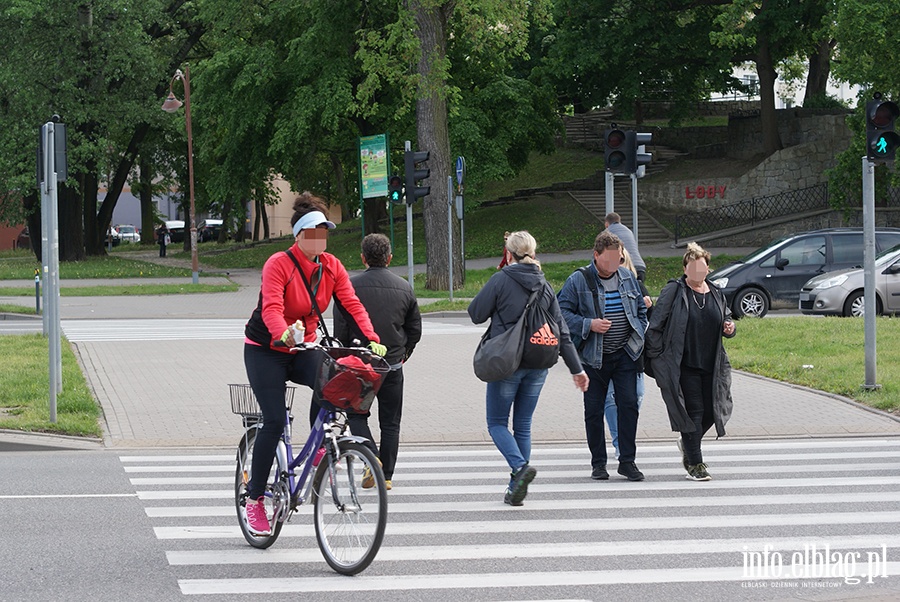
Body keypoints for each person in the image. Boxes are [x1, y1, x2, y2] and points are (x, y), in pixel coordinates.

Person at [242, 192, 385, 536]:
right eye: (314, 232)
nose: (321, 238)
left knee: (335, 379)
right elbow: (272, 308)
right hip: (266, 348)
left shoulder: (331, 266)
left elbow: (352, 303)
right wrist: (282, 335)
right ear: (300, 236)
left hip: (302, 345)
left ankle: (319, 446)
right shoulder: (278, 263)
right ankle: (255, 499)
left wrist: (372, 338)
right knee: (274, 421)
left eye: (325, 231)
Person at [468, 231, 589, 506]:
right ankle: (515, 490)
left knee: (497, 423)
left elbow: (475, 313)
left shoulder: (501, 279)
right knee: (522, 425)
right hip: (539, 364)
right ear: (533, 254)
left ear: (508, 254)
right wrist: (577, 369)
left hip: (507, 363)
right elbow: (563, 331)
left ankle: (519, 468)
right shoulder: (544, 284)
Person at [333, 233, 422, 491]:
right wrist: (404, 353)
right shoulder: (404, 287)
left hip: (361, 366)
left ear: (363, 258)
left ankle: (372, 458)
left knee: (356, 413)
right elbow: (414, 329)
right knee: (391, 422)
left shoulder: (349, 287)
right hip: (392, 364)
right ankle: (386, 475)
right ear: (389, 258)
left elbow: (340, 330)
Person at [558, 231, 648, 482]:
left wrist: (637, 338)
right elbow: (561, 313)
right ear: (596, 256)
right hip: (592, 358)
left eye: (618, 260)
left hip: (625, 354)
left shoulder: (628, 277)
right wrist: (589, 324)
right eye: (608, 261)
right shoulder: (579, 280)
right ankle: (598, 463)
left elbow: (641, 310)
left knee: (629, 405)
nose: (614, 265)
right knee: (594, 410)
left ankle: (627, 461)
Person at [645, 242, 736, 481]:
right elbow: (656, 325)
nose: (698, 272)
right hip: (683, 364)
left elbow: (725, 318)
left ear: (708, 269)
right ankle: (695, 463)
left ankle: (688, 441)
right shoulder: (675, 291)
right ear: (685, 268)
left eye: (702, 268)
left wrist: (730, 328)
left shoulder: (716, 292)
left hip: (712, 364)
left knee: (712, 411)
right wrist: (657, 358)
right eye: (693, 268)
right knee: (693, 412)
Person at [604, 247, 653, 458]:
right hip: (606, 353)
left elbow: (651, 319)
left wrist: (648, 307)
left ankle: (625, 435)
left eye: (621, 258)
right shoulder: (599, 284)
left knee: (637, 396)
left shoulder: (637, 285)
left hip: (633, 354)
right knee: (610, 398)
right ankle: (619, 443)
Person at [604, 212, 646, 282]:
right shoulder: (628, 231)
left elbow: (603, 252)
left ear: (606, 223)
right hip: (640, 266)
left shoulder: (607, 233)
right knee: (638, 290)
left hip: (626, 268)